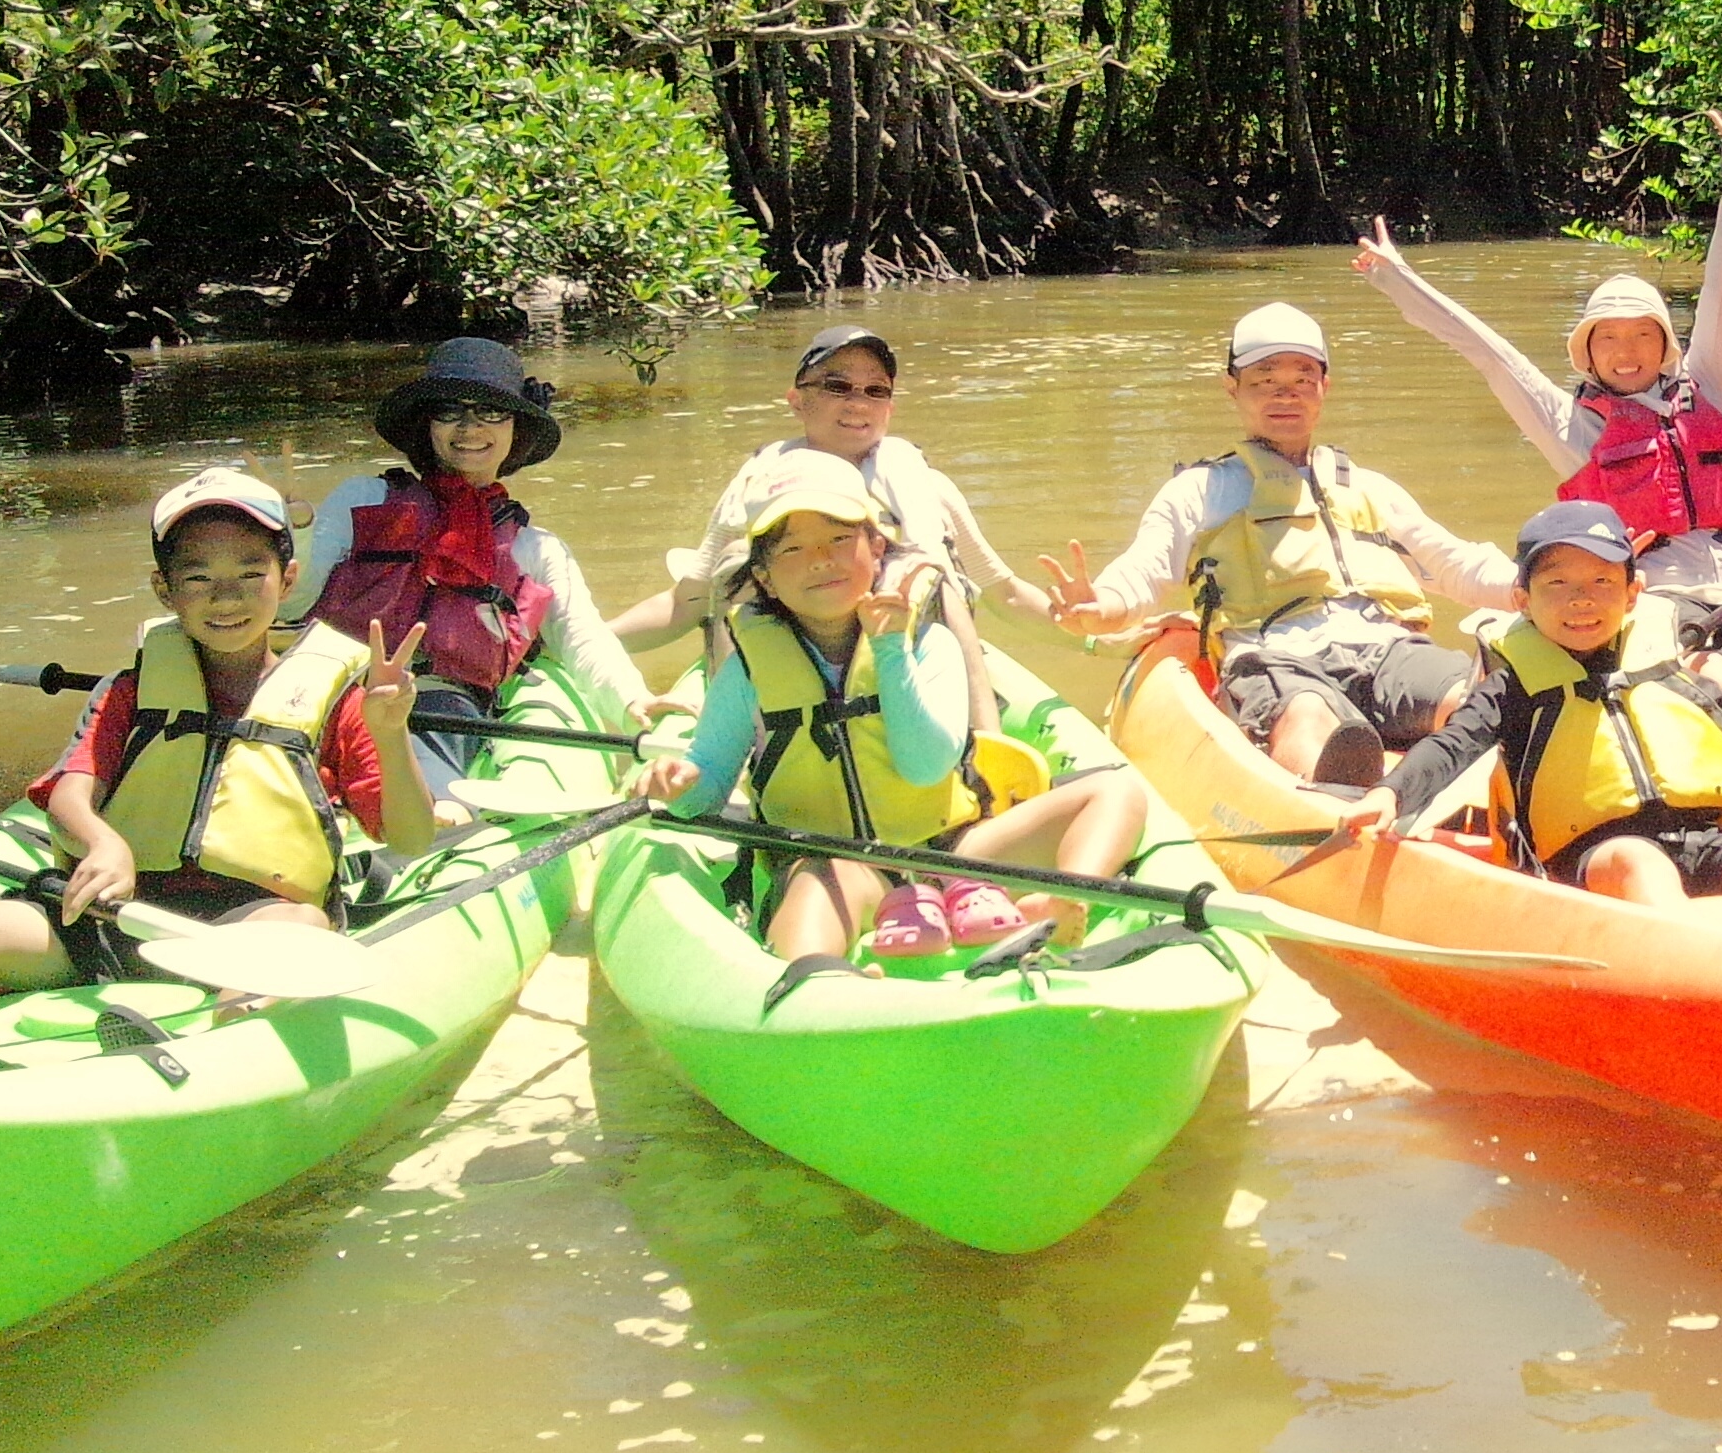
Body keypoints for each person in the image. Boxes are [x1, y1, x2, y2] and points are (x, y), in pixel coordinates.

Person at [0, 468, 430, 1056]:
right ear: (164, 590)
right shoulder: (128, 692)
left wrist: (391, 732)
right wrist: (102, 842)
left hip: (250, 921)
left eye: (251, 573)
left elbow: (410, 834)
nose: (227, 597)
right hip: (114, 913)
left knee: (289, 936)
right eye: (198, 578)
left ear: (287, 577)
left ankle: (217, 1059)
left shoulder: (340, 702)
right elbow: (69, 796)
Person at [635, 467, 1146, 978]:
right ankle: (827, 981)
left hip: (958, 851)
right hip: (838, 861)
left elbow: (925, 767)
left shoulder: (927, 643)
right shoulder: (750, 666)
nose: (821, 561)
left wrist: (888, 648)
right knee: (814, 885)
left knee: (1116, 793)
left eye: (839, 539)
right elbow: (707, 787)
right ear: (764, 576)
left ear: (877, 548)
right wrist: (681, 783)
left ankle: (1062, 901)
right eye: (793, 550)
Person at [1351, 110, 1722, 675]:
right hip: (1668, 602)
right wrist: (1397, 277)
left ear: (1665, 344)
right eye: (1608, 337)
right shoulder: (1571, 427)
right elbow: (1488, 352)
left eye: (1643, 334)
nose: (1626, 350)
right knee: (1711, 670)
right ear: (1587, 353)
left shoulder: (1707, 386)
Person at [1344, 504, 1722, 925]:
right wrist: (1391, 794)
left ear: (1633, 592)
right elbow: (1452, 746)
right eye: (1557, 583)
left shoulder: (1660, 667)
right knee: (1640, 864)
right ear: (1523, 598)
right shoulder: (1513, 685)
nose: (1582, 600)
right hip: (1591, 854)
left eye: (1601, 582)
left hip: (1698, 837)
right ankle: (1702, 962)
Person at [1038, 303, 1515, 785]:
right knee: (1309, 719)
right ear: (1233, 388)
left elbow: (1456, 564)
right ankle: (1337, 809)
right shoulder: (1202, 490)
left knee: (1474, 697)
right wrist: (1101, 607)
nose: (1285, 395)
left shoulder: (1370, 488)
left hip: (1386, 648)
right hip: (1275, 656)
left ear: (1323, 389)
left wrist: (1534, 585)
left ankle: (1490, 803)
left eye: (1302, 379)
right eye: (1265, 380)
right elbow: (1144, 570)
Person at [291, 337, 652, 801]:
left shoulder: (535, 549)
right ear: (428, 425)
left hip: (438, 702)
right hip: (335, 687)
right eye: (450, 411)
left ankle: (428, 819)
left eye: (492, 412)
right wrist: (297, 532)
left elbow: (583, 638)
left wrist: (633, 703)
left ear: (515, 429)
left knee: (424, 787)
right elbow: (295, 600)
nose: (469, 427)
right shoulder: (363, 498)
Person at [609, 323, 1050, 655]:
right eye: (837, 386)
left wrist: (1094, 635)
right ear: (798, 401)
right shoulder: (755, 485)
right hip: (779, 676)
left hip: (906, 667)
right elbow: (686, 604)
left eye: (875, 391)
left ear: (890, 408)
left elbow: (1004, 594)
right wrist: (585, 643)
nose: (857, 403)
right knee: (732, 561)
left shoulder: (928, 490)